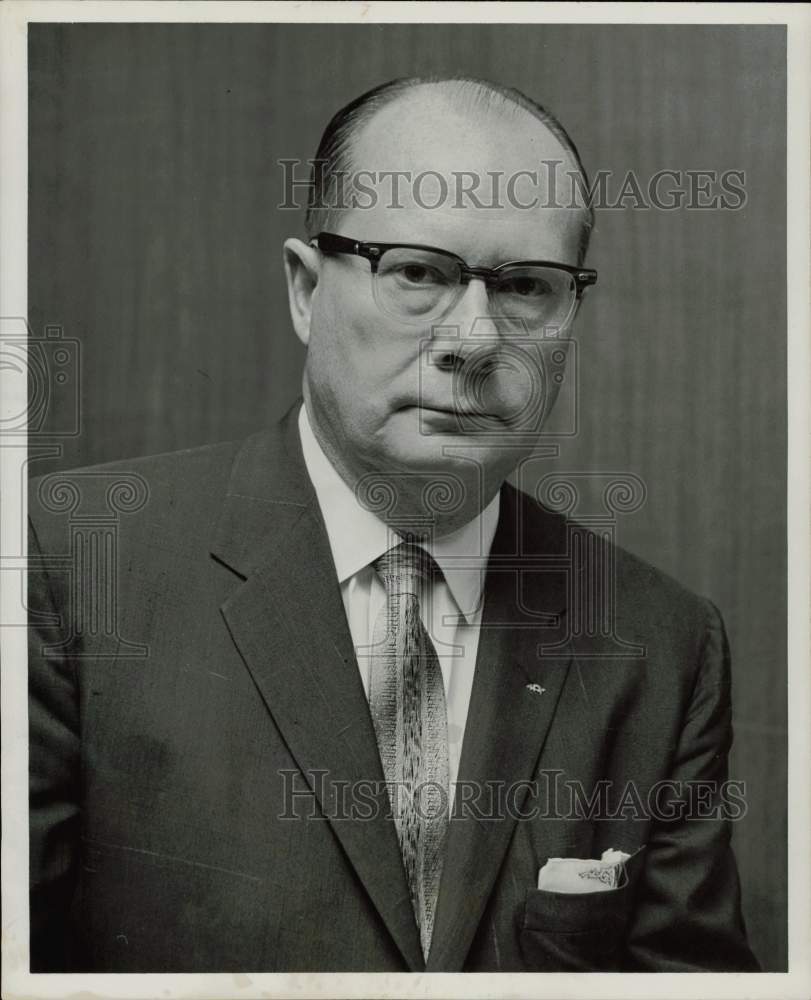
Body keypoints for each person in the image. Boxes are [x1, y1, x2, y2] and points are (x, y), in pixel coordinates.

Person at [28, 76, 759, 972]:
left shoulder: (662, 644)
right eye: (417, 271)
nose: (476, 338)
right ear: (304, 289)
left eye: (527, 285)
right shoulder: (67, 563)